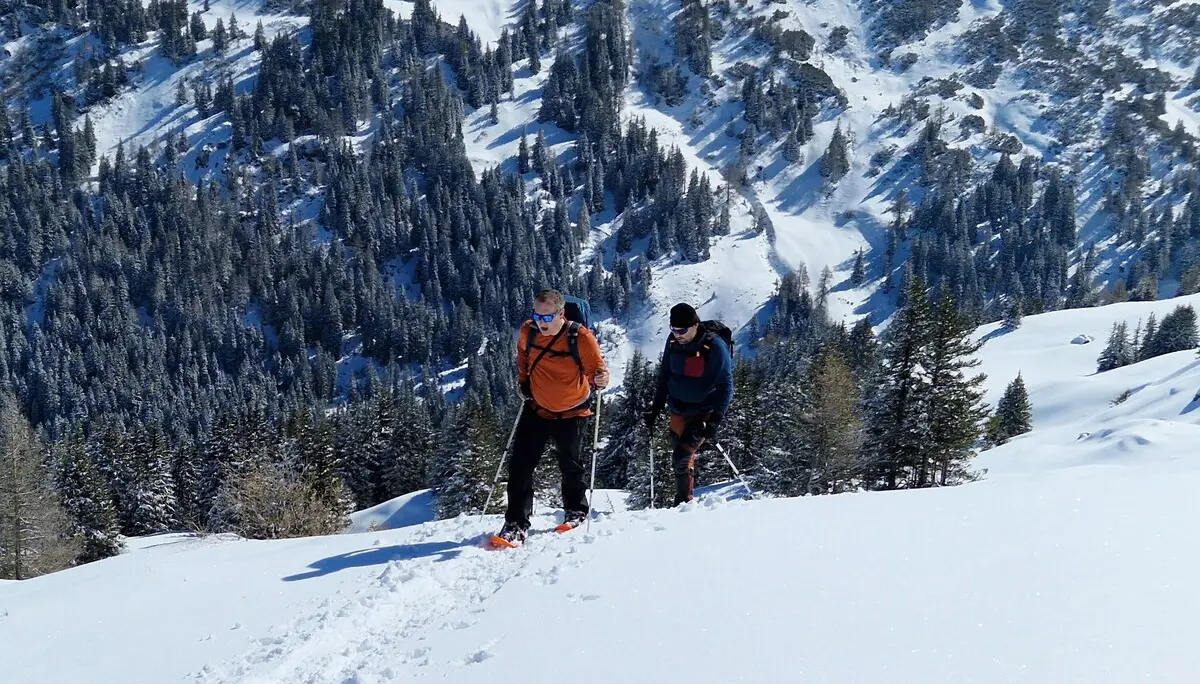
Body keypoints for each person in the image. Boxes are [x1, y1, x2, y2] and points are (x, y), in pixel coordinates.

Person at [496, 289, 610, 545]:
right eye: (537, 316)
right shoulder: (529, 330)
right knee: (520, 467)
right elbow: (523, 357)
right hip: (537, 408)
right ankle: (515, 522)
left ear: (561, 314)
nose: (541, 323)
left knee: (571, 465)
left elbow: (597, 371)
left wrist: (601, 379)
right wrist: (523, 383)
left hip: (572, 411)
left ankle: (576, 510)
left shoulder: (580, 337)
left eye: (547, 318)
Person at [644, 302, 733, 506]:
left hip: (703, 411)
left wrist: (715, 420)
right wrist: (655, 407)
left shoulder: (714, 346)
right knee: (681, 460)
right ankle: (686, 502)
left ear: (695, 325)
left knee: (682, 457)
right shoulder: (673, 342)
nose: (677, 334)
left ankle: (682, 503)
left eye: (682, 330)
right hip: (677, 408)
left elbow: (726, 385)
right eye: (673, 329)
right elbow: (665, 373)